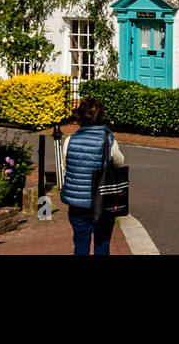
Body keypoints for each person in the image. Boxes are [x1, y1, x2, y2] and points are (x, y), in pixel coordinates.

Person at [60, 95, 126, 255]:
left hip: (77, 203)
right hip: (102, 201)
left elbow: (64, 166)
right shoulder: (107, 139)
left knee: (81, 244)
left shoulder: (70, 140)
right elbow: (119, 161)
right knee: (102, 244)